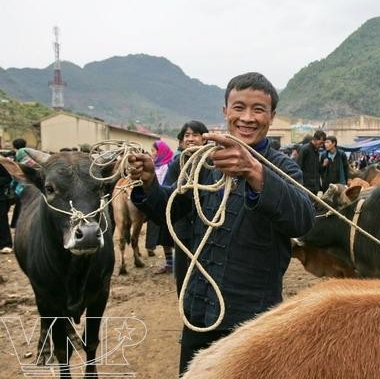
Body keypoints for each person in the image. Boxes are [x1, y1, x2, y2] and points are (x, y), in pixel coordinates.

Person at [127, 72, 314, 375]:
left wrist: (255, 172)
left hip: (253, 319)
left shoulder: (283, 167)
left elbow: (303, 221)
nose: (248, 118)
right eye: (239, 107)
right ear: (225, 111)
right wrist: (149, 184)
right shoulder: (203, 165)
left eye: (258, 109)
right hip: (198, 311)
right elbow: (170, 213)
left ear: (272, 116)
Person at [163, 120, 209, 296]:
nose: (190, 139)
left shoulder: (212, 162)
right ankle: (186, 307)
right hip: (183, 228)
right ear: (181, 141)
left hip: (208, 227)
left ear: (204, 139)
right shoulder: (176, 165)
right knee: (183, 273)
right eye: (186, 136)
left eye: (195, 135)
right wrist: (180, 185)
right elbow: (167, 193)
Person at [144, 140, 174, 272]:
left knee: (170, 235)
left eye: (154, 151)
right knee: (162, 237)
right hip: (157, 204)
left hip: (168, 204)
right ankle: (169, 263)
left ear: (161, 152)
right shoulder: (155, 167)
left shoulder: (169, 167)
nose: (152, 154)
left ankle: (177, 263)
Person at [296, 130, 326, 194]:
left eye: (323, 143)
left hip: (315, 187)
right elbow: (298, 167)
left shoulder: (316, 151)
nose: (321, 145)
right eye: (320, 143)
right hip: (306, 186)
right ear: (314, 139)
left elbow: (317, 169)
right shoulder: (305, 149)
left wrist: (323, 165)